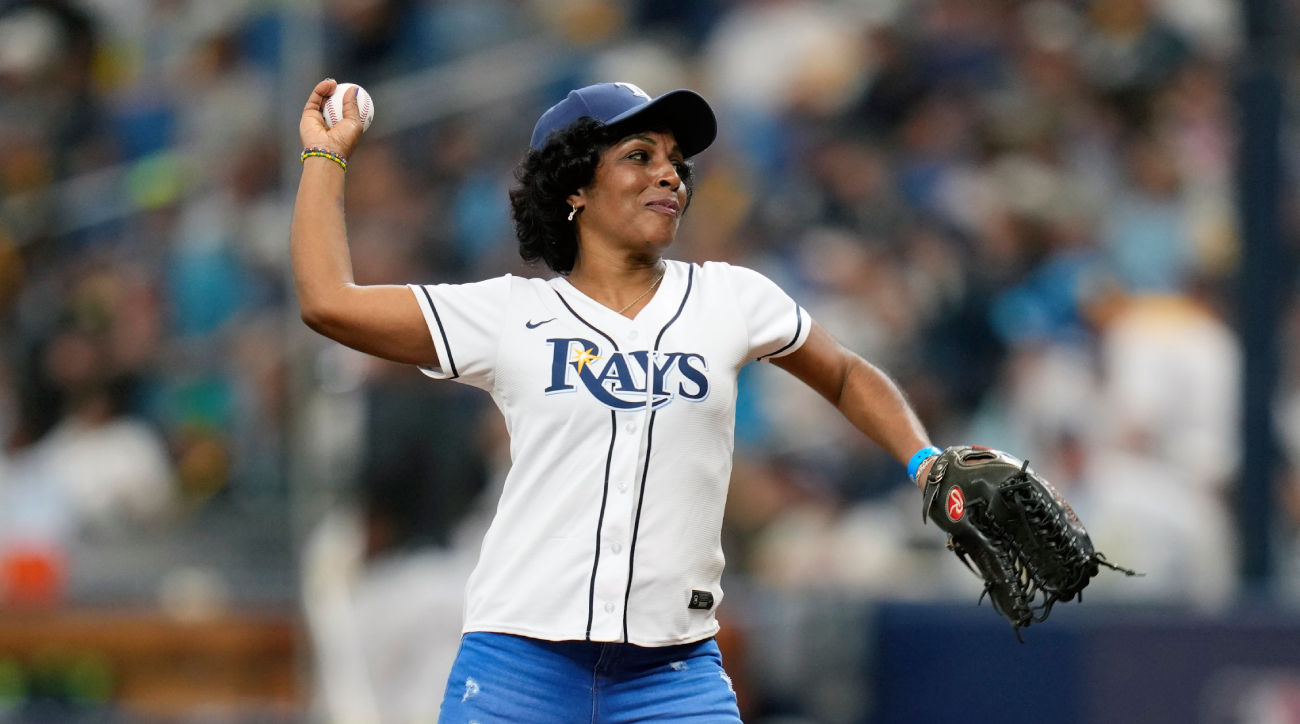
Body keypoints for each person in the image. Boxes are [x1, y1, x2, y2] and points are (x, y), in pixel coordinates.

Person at [290, 79, 941, 723]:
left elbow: (846, 374)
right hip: (520, 665)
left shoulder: (732, 298)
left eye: (677, 165)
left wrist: (926, 463)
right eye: (640, 156)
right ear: (575, 186)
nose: (670, 177)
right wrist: (326, 157)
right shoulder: (511, 313)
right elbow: (329, 301)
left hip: (673, 676)